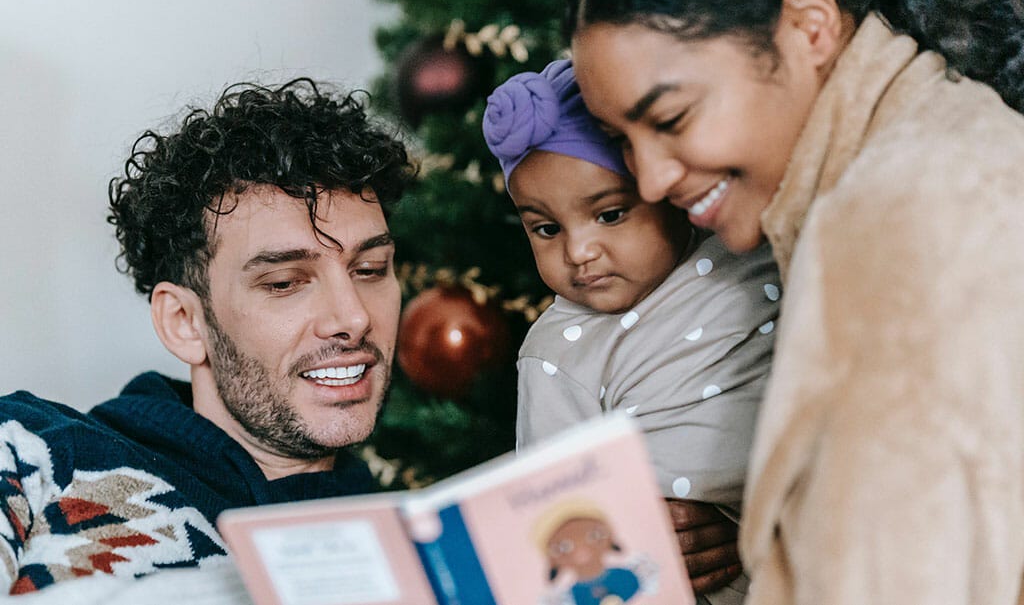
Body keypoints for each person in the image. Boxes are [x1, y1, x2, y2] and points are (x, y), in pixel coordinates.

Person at [565, 0, 1024, 603]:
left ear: (810, 27)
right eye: (620, 138)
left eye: (672, 119)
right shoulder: (945, 148)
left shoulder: (892, 217)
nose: (650, 178)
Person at [0, 78, 414, 595]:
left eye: (371, 269)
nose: (353, 317)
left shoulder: (408, 547)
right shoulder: (25, 449)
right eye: (284, 283)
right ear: (183, 322)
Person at [483, 58, 780, 605]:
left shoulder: (752, 249)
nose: (579, 252)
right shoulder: (556, 358)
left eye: (611, 214)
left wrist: (753, 532)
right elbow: (557, 521)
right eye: (546, 229)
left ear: (663, 185)